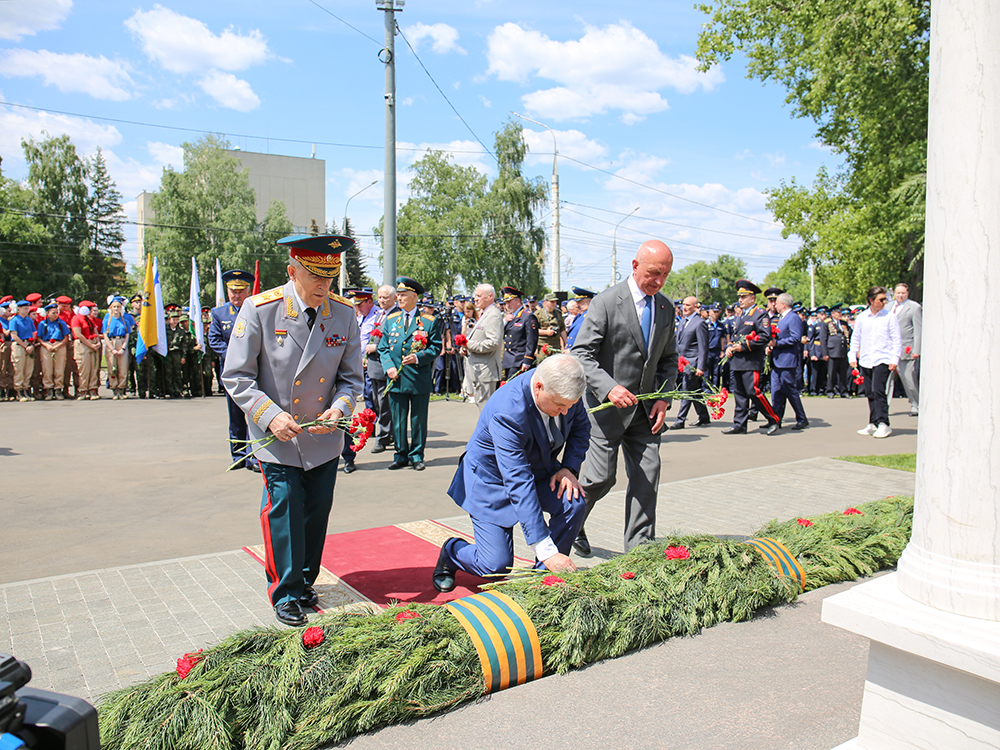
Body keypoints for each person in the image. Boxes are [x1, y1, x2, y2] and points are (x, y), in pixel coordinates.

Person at [223, 234, 364, 627]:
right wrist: (269, 416)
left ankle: (304, 581)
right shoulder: (260, 309)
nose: (324, 286)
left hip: (323, 437)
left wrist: (339, 408)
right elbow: (237, 376)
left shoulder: (343, 313)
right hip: (278, 437)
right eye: (315, 277)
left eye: (330, 277)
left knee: (316, 513)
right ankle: (284, 592)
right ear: (292, 271)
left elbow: (352, 380)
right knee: (285, 510)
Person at [432, 354, 591, 591]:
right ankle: (452, 552)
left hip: (537, 470)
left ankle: (542, 580)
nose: (566, 412)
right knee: (495, 567)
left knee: (573, 501)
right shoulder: (508, 411)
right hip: (493, 482)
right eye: (560, 406)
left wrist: (569, 468)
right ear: (538, 387)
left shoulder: (563, 389)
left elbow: (581, 427)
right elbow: (518, 480)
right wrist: (545, 549)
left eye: (570, 405)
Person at [571, 240, 678, 554]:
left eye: (665, 275)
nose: (658, 281)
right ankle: (570, 524)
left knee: (648, 476)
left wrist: (664, 398)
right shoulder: (606, 302)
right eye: (653, 273)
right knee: (599, 479)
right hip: (606, 411)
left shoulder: (665, 307)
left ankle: (640, 549)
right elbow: (582, 354)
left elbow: (668, 359)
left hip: (646, 413)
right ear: (635, 266)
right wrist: (609, 387)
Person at [377, 276, 443, 471]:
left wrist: (418, 357)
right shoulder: (391, 320)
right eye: (398, 295)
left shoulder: (428, 321)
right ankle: (400, 455)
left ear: (414, 296)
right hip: (396, 379)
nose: (399, 298)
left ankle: (416, 455)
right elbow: (383, 348)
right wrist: (388, 367)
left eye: (403, 295)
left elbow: (436, 348)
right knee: (398, 420)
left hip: (418, 379)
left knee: (418, 420)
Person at [210, 269, 258, 471]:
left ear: (248, 291)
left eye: (240, 291)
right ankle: (239, 455)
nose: (236, 295)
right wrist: (234, 354)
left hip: (256, 373)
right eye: (232, 291)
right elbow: (214, 340)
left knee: (256, 415)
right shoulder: (219, 313)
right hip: (232, 374)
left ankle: (255, 456)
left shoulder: (258, 310)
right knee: (236, 417)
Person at [721, 281, 780, 435]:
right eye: (739, 297)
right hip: (738, 361)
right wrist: (730, 347)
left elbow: (764, 337)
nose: (740, 300)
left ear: (752, 298)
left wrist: (745, 346)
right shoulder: (741, 316)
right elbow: (735, 337)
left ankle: (773, 418)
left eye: (744, 297)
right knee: (739, 393)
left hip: (751, 360)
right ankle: (739, 424)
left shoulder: (760, 314)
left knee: (753, 391)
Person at [849, 286, 901, 439]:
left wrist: (894, 359)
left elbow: (896, 339)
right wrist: (852, 356)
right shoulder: (862, 317)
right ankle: (873, 422)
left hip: (883, 358)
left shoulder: (889, 316)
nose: (884, 302)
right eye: (881, 299)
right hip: (866, 359)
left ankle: (884, 423)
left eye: (885, 299)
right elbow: (856, 338)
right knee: (870, 392)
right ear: (871, 301)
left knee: (879, 391)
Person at [366, 284, 399, 454]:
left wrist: (375, 347)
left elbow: (393, 341)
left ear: (394, 298)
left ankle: (384, 437)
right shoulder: (380, 314)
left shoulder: (395, 315)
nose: (381, 300)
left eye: (385, 297)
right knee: (378, 403)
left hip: (385, 365)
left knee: (384, 403)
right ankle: (389, 433)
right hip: (373, 366)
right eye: (379, 297)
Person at [460, 283, 504, 410]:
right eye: (475, 296)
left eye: (479, 296)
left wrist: (468, 344)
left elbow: (493, 343)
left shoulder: (493, 315)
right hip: (480, 369)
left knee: (485, 409)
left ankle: (488, 430)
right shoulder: (485, 313)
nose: (475, 299)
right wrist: (466, 348)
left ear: (490, 296)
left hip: (486, 370)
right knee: (482, 406)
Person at [769, 293, 809, 432]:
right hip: (777, 360)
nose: (775, 305)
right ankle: (776, 419)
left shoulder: (793, 318)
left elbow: (795, 338)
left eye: (777, 303)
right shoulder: (782, 317)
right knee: (776, 391)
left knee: (790, 391)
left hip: (787, 361)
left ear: (783, 304)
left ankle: (802, 418)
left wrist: (777, 343)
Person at [670, 295, 710, 429]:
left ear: (695, 307)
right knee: (696, 391)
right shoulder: (682, 321)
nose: (684, 307)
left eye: (688, 305)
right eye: (683, 305)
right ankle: (704, 417)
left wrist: (701, 367)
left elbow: (703, 347)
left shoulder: (699, 323)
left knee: (686, 391)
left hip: (693, 362)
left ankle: (680, 420)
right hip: (682, 361)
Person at [890, 283, 921, 416]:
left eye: (903, 293)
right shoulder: (888, 307)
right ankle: (883, 406)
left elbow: (918, 330)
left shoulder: (914, 307)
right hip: (889, 349)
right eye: (898, 293)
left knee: (909, 379)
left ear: (907, 293)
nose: (900, 295)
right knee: (886, 380)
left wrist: (916, 349)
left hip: (906, 349)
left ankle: (916, 403)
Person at [500, 287, 538, 380]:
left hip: (519, 360)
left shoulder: (527, 316)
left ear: (518, 301)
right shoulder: (509, 317)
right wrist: (504, 322)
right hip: (508, 359)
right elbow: (500, 334)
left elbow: (532, 340)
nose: (507, 305)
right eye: (506, 302)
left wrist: (527, 360)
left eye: (510, 302)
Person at [71, 301, 102, 400]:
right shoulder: (76, 318)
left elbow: (95, 330)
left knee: (94, 368)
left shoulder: (88, 319)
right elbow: (78, 334)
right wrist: (90, 345)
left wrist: (98, 342)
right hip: (82, 345)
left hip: (92, 344)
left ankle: (93, 389)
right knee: (84, 369)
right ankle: (83, 390)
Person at [103, 297, 132, 399]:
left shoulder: (125, 320)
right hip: (112, 343)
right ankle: (114, 388)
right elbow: (105, 335)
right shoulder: (107, 320)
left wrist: (123, 348)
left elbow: (127, 334)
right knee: (112, 367)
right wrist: (112, 349)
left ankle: (121, 388)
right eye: (114, 307)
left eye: (118, 307)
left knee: (123, 368)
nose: (116, 309)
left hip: (122, 342)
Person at [9, 300, 38, 402]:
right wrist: (25, 346)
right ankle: (19, 390)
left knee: (28, 369)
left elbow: (33, 333)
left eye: (27, 308)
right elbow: (14, 335)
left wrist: (32, 344)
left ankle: (26, 388)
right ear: (19, 309)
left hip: (28, 345)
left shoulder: (29, 320)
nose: (27, 310)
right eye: (25, 308)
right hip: (19, 345)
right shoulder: (14, 320)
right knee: (19, 369)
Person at [825, 305, 851, 398]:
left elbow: (848, 335)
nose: (840, 314)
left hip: (843, 351)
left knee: (843, 373)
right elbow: (824, 339)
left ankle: (844, 391)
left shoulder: (843, 323)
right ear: (833, 313)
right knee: (832, 373)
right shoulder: (827, 323)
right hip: (832, 351)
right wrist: (825, 353)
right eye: (838, 312)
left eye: (841, 313)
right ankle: (830, 391)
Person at [534, 292, 566, 356]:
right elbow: (533, 331)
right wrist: (546, 332)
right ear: (546, 302)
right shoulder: (538, 314)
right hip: (543, 346)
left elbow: (562, 329)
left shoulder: (558, 313)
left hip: (556, 345)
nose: (554, 304)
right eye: (552, 302)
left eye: (555, 301)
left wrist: (566, 344)